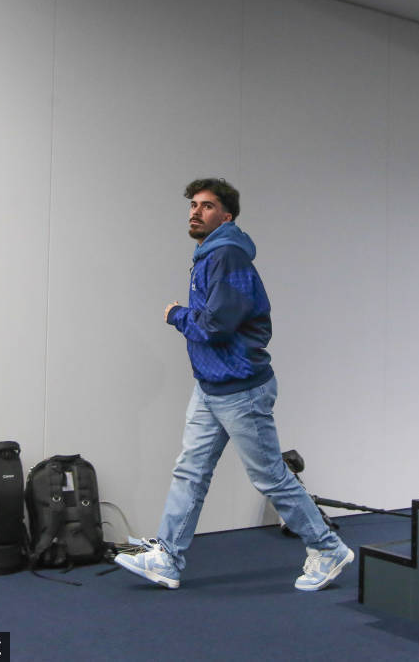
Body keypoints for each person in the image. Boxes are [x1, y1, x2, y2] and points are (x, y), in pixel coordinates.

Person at [115, 178, 353, 591]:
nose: (195, 211)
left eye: (206, 206)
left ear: (226, 216)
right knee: (190, 472)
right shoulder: (211, 254)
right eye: (193, 205)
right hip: (211, 386)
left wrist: (176, 314)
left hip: (240, 390)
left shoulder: (227, 256)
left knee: (271, 476)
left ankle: (328, 548)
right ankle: (167, 557)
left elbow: (216, 326)